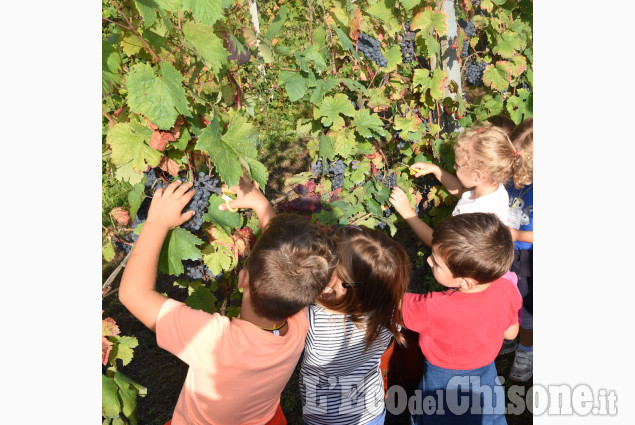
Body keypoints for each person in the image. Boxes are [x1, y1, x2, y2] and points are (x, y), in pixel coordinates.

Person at [119, 178, 338, 425]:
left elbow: (132, 293)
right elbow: (288, 266)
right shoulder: (299, 323)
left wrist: (156, 222)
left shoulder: (214, 340)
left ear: (242, 278)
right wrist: (260, 203)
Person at [221, 179, 411, 425]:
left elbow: (284, 270)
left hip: (325, 418)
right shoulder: (390, 310)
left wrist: (261, 205)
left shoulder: (315, 319)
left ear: (343, 284)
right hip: (371, 411)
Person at [401, 213, 522, 425]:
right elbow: (511, 333)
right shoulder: (507, 289)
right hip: (485, 372)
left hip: (442, 379)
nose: (429, 261)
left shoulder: (434, 306)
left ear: (465, 282)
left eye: (437, 263)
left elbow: (394, 306)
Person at [389, 122, 522, 247]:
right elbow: (463, 193)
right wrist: (436, 170)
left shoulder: (471, 216)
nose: (454, 166)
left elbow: (439, 244)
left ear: (477, 176)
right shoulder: (496, 191)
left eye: (458, 166)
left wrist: (407, 212)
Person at [504, 117, 534, 382]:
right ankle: (510, 337)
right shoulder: (514, 180)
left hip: (529, 258)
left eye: (522, 169)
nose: (516, 175)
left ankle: (527, 348)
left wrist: (516, 234)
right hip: (511, 252)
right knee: (508, 295)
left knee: (527, 306)